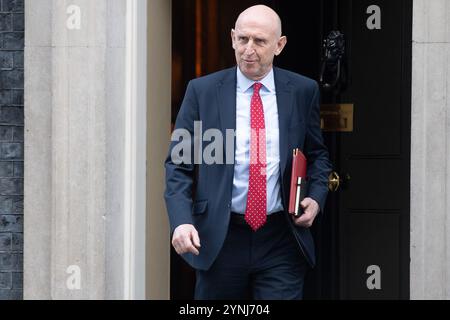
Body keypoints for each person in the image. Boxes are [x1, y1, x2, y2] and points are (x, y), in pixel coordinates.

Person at [164, 5, 331, 300]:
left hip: (281, 238)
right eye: (242, 39)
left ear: (279, 45)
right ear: (231, 38)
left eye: (260, 41)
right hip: (221, 237)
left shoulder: (303, 91)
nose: (248, 49)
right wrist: (181, 220)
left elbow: (317, 155)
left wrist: (316, 198)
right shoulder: (202, 91)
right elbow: (179, 164)